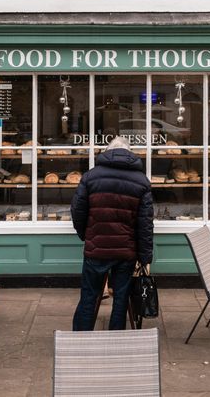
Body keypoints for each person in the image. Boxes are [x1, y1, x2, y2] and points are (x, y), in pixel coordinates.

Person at [70, 136, 154, 330]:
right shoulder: (142, 182)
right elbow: (145, 224)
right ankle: (116, 337)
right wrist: (145, 256)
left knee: (89, 295)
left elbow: (77, 211)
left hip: (96, 249)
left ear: (107, 151)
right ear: (130, 152)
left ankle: (81, 339)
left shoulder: (90, 177)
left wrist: (87, 236)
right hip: (125, 252)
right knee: (121, 298)